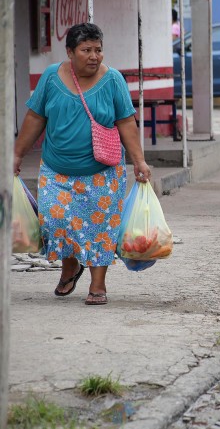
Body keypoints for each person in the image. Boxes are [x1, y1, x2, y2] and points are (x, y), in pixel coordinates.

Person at [13, 23, 152, 306]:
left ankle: (98, 284)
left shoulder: (113, 80)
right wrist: (17, 154)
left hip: (102, 171)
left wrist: (139, 160)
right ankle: (70, 267)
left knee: (100, 229)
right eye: (86, 50)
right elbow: (35, 118)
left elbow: (126, 122)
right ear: (70, 52)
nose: (94, 56)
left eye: (98, 50)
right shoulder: (51, 77)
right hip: (56, 169)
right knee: (56, 222)